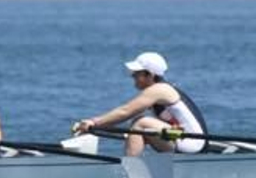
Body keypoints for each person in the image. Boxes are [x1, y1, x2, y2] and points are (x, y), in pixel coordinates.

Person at [71, 52, 208, 155]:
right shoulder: (159, 90)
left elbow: (125, 111)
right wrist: (95, 129)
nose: (132, 76)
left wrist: (93, 122)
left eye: (137, 73)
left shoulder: (159, 90)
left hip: (192, 142)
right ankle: (136, 171)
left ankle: (128, 176)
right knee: (138, 128)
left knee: (140, 123)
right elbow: (125, 119)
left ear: (150, 75)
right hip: (179, 135)